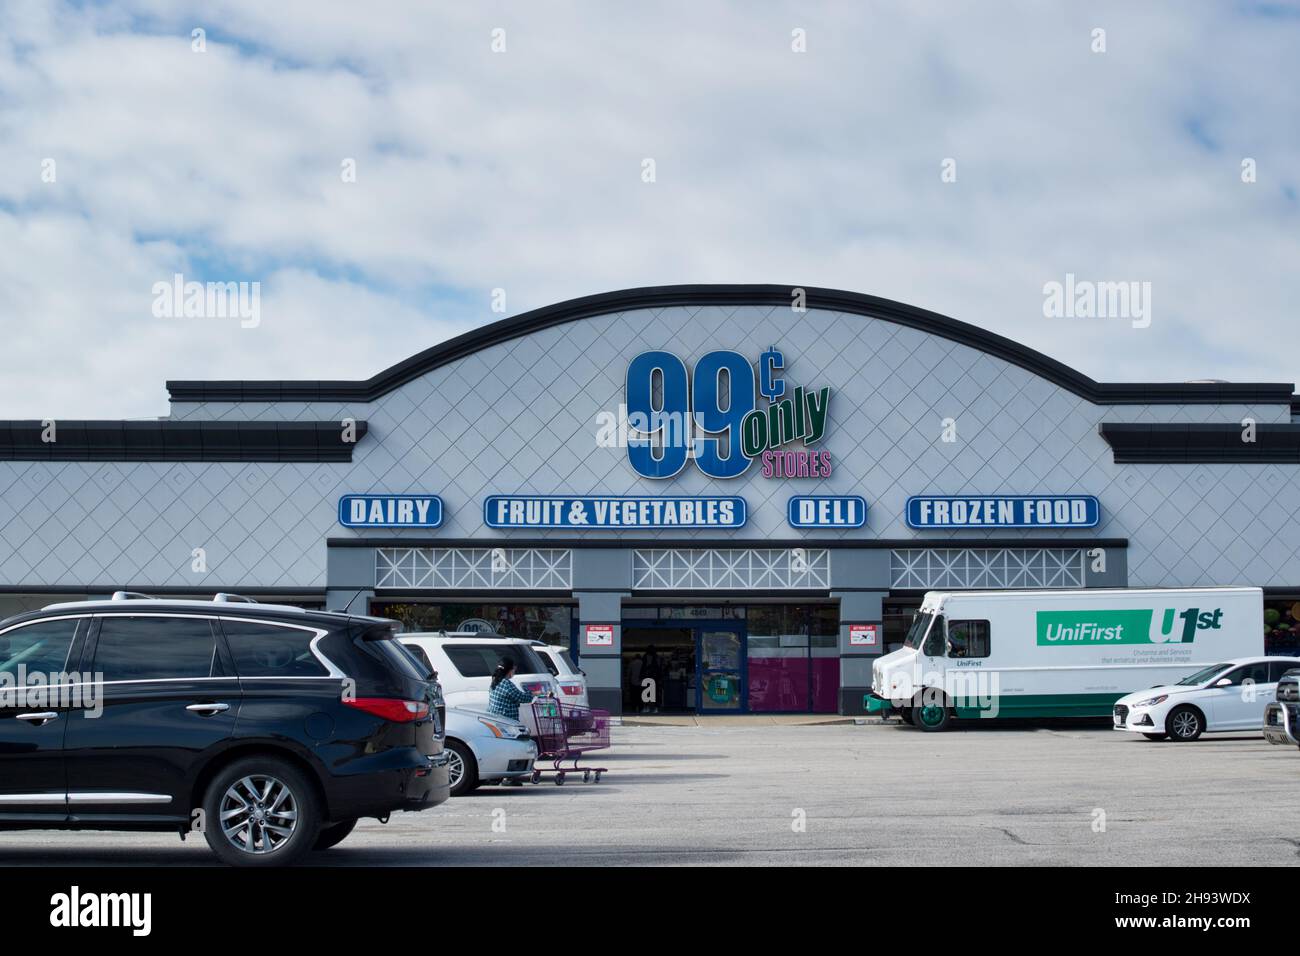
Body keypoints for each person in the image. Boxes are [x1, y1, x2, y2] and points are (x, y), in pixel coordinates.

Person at [486, 655, 536, 721]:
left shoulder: (495, 679)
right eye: (514, 669)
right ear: (509, 670)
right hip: (506, 722)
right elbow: (522, 698)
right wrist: (534, 693)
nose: (514, 671)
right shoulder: (506, 685)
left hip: (495, 719)